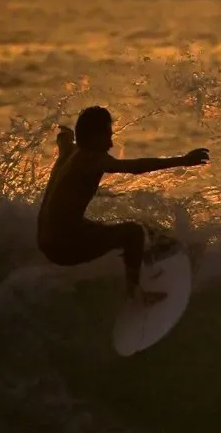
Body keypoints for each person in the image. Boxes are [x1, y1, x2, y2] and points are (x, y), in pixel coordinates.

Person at [37, 106, 209, 304]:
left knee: (140, 226)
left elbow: (64, 139)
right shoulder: (91, 159)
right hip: (61, 248)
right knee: (133, 232)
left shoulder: (69, 151)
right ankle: (134, 293)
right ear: (93, 137)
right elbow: (134, 167)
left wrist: (64, 133)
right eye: (107, 136)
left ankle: (155, 256)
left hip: (47, 238)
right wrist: (183, 160)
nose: (111, 144)